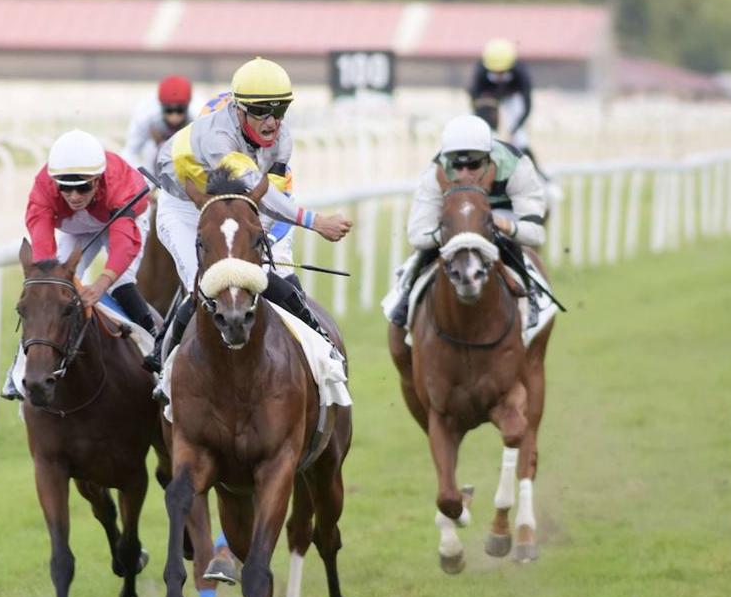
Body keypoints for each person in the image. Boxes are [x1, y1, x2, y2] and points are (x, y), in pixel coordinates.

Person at [149, 57, 352, 371]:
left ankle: (322, 342)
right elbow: (256, 186)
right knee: (204, 282)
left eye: (280, 111)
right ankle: (165, 364)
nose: (272, 123)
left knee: (274, 273)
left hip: (246, 205)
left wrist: (254, 244)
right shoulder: (218, 140)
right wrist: (316, 222)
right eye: (260, 112)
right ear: (238, 110)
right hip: (186, 207)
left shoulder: (282, 141)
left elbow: (269, 201)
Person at [1, 129, 155, 401]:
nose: (73, 195)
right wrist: (51, 279)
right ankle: (20, 368)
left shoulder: (119, 184)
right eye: (65, 187)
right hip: (74, 225)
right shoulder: (44, 188)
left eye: (82, 186)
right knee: (46, 291)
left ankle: (158, 352)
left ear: (98, 179)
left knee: (120, 280)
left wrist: (101, 283)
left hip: (120, 217)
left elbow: (123, 244)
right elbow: (41, 241)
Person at [385, 114, 547, 330]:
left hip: (501, 213)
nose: (464, 174)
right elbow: (417, 235)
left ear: (489, 159)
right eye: (456, 165)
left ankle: (532, 294)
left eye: (473, 165)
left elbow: (535, 233)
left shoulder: (516, 165)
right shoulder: (436, 172)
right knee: (422, 253)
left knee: (510, 244)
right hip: (455, 218)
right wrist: (450, 231)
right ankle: (405, 298)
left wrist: (503, 225)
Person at [469, 38, 545, 176]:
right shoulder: (480, 70)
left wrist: (513, 130)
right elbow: (475, 101)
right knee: (482, 134)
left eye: (502, 72)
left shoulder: (521, 72)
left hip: (512, 98)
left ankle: (539, 175)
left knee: (520, 138)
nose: (498, 76)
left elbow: (527, 107)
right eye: (495, 72)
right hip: (490, 99)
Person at [122, 75, 203, 178]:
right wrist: (141, 180)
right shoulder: (145, 115)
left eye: (180, 110)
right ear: (161, 105)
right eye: (168, 110)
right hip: (154, 149)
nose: (174, 117)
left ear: (188, 105)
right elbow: (130, 152)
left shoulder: (199, 114)